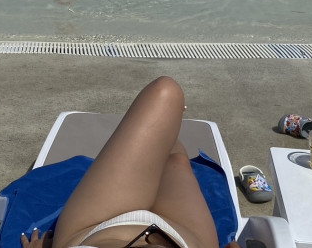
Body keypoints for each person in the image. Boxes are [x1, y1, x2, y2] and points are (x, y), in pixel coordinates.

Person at [39, 76, 240, 248]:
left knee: (165, 93)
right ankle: (162, 142)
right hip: (183, 238)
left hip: (94, 228)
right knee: (175, 155)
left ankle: (158, 142)